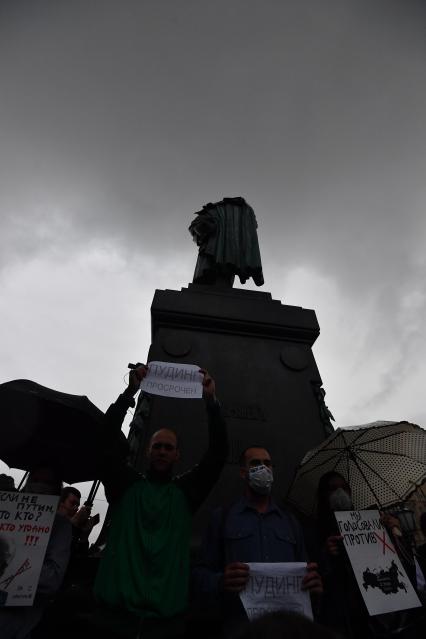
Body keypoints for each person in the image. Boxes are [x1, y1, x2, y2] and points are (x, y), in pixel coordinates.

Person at [93, 365, 228, 639]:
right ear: (147, 451)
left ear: (178, 455)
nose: (162, 451)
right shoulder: (125, 486)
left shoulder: (187, 493)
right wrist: (129, 392)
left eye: (168, 447)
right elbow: (105, 439)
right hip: (114, 618)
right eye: (157, 446)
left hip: (166, 621)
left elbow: (218, 453)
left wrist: (211, 402)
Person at [193, 445, 322, 637]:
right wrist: (220, 581)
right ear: (243, 472)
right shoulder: (223, 518)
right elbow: (199, 574)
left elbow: (307, 571)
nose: (263, 468)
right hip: (240, 629)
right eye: (255, 463)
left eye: (267, 463)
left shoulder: (289, 521)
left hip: (288, 630)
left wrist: (314, 583)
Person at [0, 466, 72, 639]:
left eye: (47, 483)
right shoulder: (6, 513)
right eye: (36, 480)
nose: (40, 486)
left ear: (56, 489)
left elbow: (52, 579)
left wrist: (8, 564)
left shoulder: (60, 526)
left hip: (19, 623)